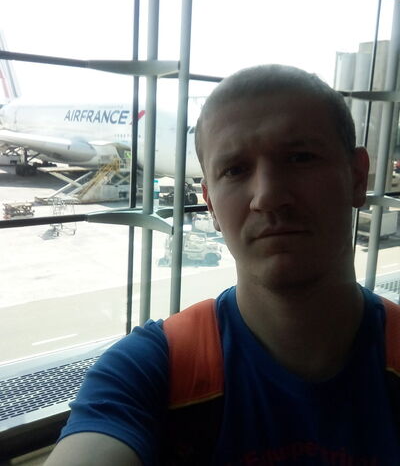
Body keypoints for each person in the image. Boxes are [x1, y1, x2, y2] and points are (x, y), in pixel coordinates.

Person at [45, 64, 400, 465]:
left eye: (300, 158)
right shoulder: (146, 371)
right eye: (235, 170)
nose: (267, 196)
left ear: (357, 178)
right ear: (210, 203)